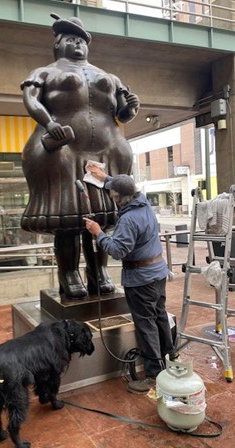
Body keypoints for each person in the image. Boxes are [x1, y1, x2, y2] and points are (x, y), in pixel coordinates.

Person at [20, 13, 140, 299]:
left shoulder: (109, 76)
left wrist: (131, 110)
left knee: (99, 216)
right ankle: (69, 274)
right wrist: (50, 125)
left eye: (81, 40)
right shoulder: (45, 72)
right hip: (63, 149)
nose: (77, 45)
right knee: (69, 218)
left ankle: (98, 272)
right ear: (58, 45)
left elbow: (121, 113)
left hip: (105, 151)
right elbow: (30, 99)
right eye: (70, 39)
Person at [84, 166, 175, 394]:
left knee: (146, 325)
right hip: (158, 274)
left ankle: (154, 375)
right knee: (160, 316)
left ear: (117, 198)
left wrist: (98, 233)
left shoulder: (128, 220)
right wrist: (106, 179)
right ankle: (170, 360)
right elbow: (123, 186)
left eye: (112, 195)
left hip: (141, 279)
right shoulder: (143, 202)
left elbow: (118, 250)